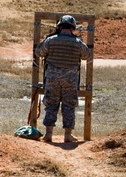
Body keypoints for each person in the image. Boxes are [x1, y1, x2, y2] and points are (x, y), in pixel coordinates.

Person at [35, 15, 92, 143]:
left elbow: (39, 53)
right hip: (70, 78)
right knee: (69, 105)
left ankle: (48, 134)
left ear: (59, 26)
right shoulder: (77, 43)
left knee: (51, 104)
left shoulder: (51, 40)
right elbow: (87, 55)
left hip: (52, 77)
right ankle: (68, 135)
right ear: (73, 28)